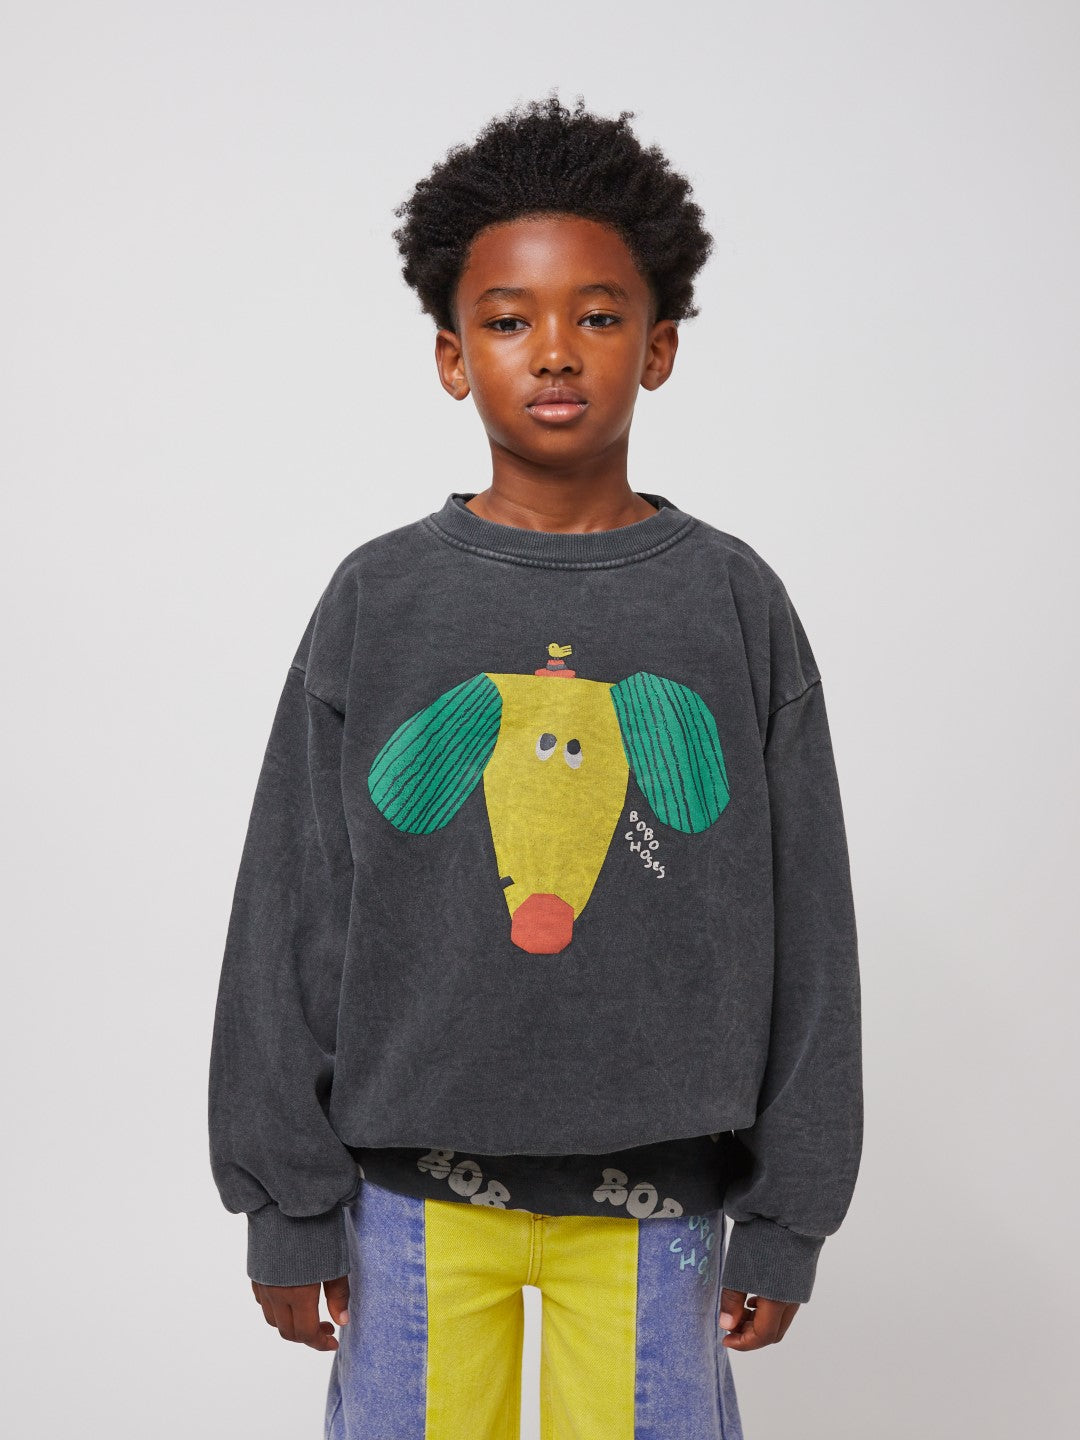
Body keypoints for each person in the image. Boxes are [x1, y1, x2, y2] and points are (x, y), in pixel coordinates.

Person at [208, 93, 863, 1439]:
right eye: (509, 321)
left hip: (656, 1206)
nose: (555, 350)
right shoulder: (379, 600)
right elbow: (293, 904)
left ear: (659, 347)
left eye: (599, 316)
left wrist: (789, 1212)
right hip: (408, 1200)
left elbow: (808, 922)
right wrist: (285, 1202)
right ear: (453, 357)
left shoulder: (732, 604)